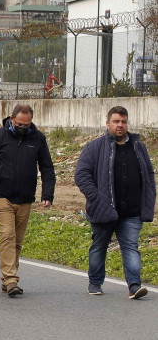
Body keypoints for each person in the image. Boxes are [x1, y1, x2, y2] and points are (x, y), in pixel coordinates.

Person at [75, 106, 155, 299]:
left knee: (131, 247)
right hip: (104, 210)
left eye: (124, 121)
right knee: (99, 246)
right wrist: (96, 198)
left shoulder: (139, 147)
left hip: (131, 211)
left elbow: (149, 175)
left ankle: (134, 286)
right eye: (117, 121)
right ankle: (95, 282)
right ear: (108, 123)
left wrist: (149, 197)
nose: (121, 125)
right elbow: (81, 174)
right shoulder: (95, 147)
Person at [0, 104, 55, 297]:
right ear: (11, 119)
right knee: (7, 236)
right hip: (2, 195)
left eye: (27, 124)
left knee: (17, 241)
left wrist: (47, 194)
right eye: (19, 123)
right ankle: (11, 278)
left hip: (26, 197)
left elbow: (47, 167)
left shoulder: (38, 138)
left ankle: (7, 278)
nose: (23, 127)